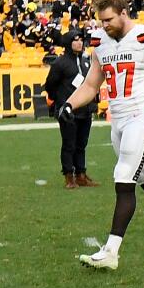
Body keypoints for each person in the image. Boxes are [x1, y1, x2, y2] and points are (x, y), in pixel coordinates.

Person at [61, 0, 144, 270]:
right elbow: (91, 85)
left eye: (109, 19)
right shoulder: (100, 43)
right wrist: (70, 105)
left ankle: (111, 251)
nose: (104, 25)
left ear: (123, 13)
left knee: (123, 175)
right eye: (101, 20)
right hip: (118, 118)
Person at [44, 29, 99, 189]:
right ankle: (69, 176)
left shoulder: (86, 61)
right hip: (68, 111)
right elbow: (50, 85)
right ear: (69, 42)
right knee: (69, 144)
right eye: (76, 39)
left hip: (85, 110)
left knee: (82, 144)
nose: (80, 42)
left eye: (81, 39)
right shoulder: (60, 63)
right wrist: (61, 102)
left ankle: (81, 174)